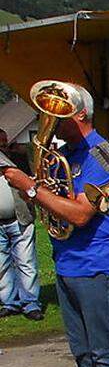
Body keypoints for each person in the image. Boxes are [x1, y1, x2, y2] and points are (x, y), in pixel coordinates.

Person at [4, 85, 109, 367]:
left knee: (104, 352)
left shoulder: (103, 156)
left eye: (59, 115)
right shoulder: (70, 153)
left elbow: (79, 214)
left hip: (97, 264)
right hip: (69, 261)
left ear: (79, 115)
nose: (52, 122)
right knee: (83, 352)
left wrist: (29, 188)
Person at [0, 129, 42, 320]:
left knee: (26, 263)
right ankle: (10, 302)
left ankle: (31, 303)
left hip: (21, 218)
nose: (2, 147)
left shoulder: (19, 159)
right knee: (2, 266)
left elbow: (34, 181)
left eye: (4, 143)